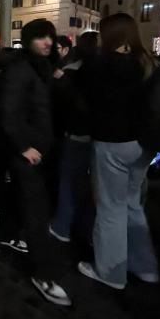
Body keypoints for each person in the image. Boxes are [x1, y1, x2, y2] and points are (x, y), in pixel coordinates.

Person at [78, 13, 159, 290]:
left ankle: (111, 272)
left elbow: (85, 101)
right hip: (143, 145)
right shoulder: (146, 63)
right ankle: (145, 266)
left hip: (112, 143)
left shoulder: (100, 65)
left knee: (111, 209)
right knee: (132, 204)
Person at [0, 19, 72, 306]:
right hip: (29, 152)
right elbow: (9, 111)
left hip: (43, 150)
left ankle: (6, 232)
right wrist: (24, 146)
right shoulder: (21, 69)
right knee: (37, 214)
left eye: (50, 37)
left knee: (24, 202)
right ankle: (45, 274)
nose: (47, 42)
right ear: (28, 40)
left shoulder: (43, 69)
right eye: (40, 38)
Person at [49, 31, 99, 246]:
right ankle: (85, 228)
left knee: (69, 182)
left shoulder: (70, 74)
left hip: (76, 134)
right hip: (101, 137)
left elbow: (63, 107)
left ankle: (63, 226)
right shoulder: (101, 68)